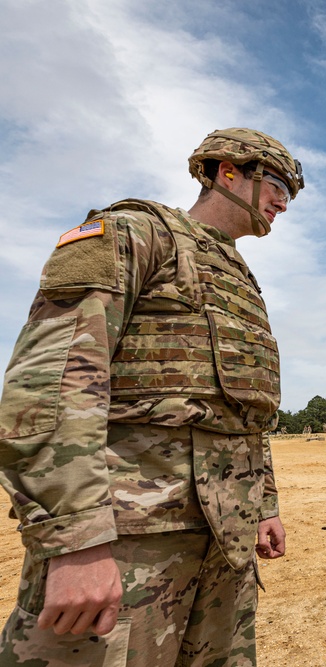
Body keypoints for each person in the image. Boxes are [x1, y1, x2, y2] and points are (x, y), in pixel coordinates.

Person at [0, 127, 304, 666]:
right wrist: (76, 542)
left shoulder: (239, 276)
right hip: (128, 540)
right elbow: (51, 381)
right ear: (226, 171)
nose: (285, 200)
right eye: (278, 183)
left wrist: (263, 506)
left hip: (223, 543)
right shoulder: (133, 233)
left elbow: (241, 413)